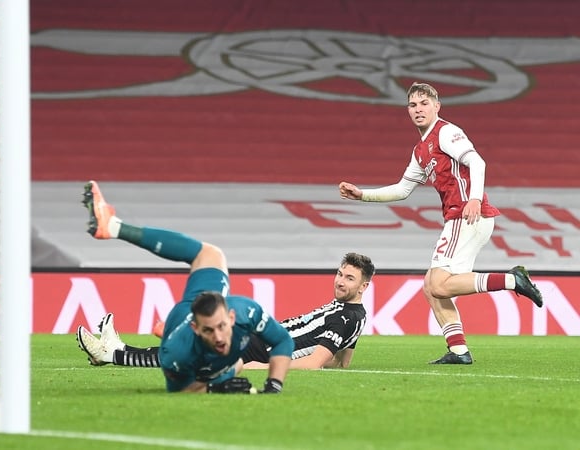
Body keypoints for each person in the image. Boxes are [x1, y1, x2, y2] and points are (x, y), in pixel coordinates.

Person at [338, 82, 543, 365]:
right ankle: (458, 350)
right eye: (413, 105)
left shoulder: (446, 132)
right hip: (463, 217)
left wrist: (473, 199)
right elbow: (402, 190)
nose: (418, 109)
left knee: (438, 284)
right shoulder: (421, 150)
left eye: (424, 103)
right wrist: (362, 195)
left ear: (437, 106)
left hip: (467, 214)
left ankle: (512, 280)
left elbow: (478, 163)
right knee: (431, 286)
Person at [80, 180, 293, 393]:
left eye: (221, 327)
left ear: (231, 317)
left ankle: (114, 226)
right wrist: (216, 388)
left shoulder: (246, 310)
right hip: (181, 327)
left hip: (200, 304)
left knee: (209, 255)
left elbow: (282, 340)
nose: (218, 336)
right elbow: (180, 390)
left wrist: (274, 386)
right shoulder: (177, 352)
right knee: (225, 364)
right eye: (209, 330)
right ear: (196, 328)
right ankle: (168, 333)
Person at [77, 252, 375, 371]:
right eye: (339, 274)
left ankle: (112, 353)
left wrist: (256, 366)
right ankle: (116, 350)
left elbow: (314, 364)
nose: (340, 281)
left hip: (262, 348)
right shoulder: (351, 314)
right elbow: (341, 364)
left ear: (363, 286)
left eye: (349, 278)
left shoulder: (345, 317)